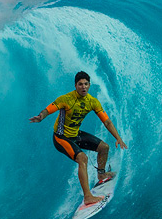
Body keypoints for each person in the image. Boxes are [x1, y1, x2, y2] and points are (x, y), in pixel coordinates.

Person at [30, 71, 128, 206]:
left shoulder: (92, 101)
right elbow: (48, 110)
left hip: (75, 135)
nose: (83, 87)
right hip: (61, 138)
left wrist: (118, 138)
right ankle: (88, 197)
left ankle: (101, 174)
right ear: (75, 85)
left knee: (104, 148)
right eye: (80, 84)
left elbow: (107, 122)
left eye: (86, 84)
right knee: (82, 158)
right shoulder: (66, 99)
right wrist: (41, 117)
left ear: (89, 85)